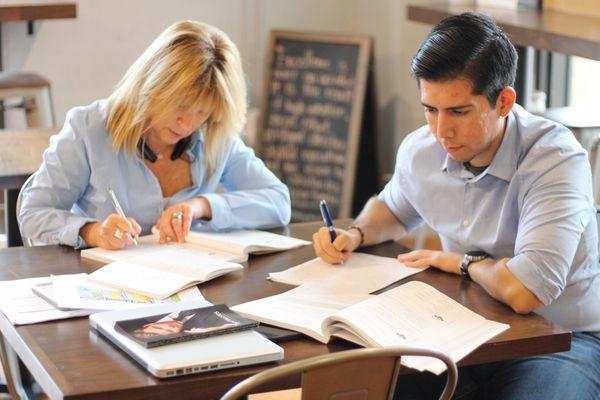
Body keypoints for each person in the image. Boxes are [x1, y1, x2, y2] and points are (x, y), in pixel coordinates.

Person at [312, 12, 600, 400]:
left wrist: (463, 262)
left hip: (560, 339)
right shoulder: (422, 149)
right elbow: (393, 209)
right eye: (430, 109)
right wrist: (356, 232)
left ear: (504, 101)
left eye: (458, 112)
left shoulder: (555, 159)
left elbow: (525, 292)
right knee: (357, 388)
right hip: (457, 327)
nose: (440, 131)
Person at [19, 20, 291, 250]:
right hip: (102, 287)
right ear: (151, 85)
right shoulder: (88, 129)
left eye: (203, 113)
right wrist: (92, 232)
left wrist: (202, 206)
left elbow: (278, 202)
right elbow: (34, 214)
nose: (187, 124)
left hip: (188, 285)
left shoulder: (214, 135)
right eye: (180, 106)